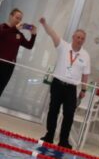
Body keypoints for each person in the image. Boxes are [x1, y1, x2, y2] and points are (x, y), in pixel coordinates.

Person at [38, 18, 89, 148]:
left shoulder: (85, 55)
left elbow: (85, 74)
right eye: (78, 37)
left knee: (69, 114)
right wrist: (45, 24)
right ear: (73, 37)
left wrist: (83, 90)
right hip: (57, 84)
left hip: (71, 88)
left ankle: (63, 140)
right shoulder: (63, 46)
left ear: (84, 40)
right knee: (53, 110)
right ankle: (49, 135)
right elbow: (52, 34)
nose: (80, 40)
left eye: (82, 38)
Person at [0, 9, 36, 97]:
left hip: (9, 66)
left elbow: (29, 46)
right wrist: (14, 28)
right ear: (11, 16)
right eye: (17, 17)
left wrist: (33, 35)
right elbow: (2, 34)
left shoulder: (19, 34)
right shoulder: (3, 27)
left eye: (20, 19)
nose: (18, 20)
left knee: (0, 88)